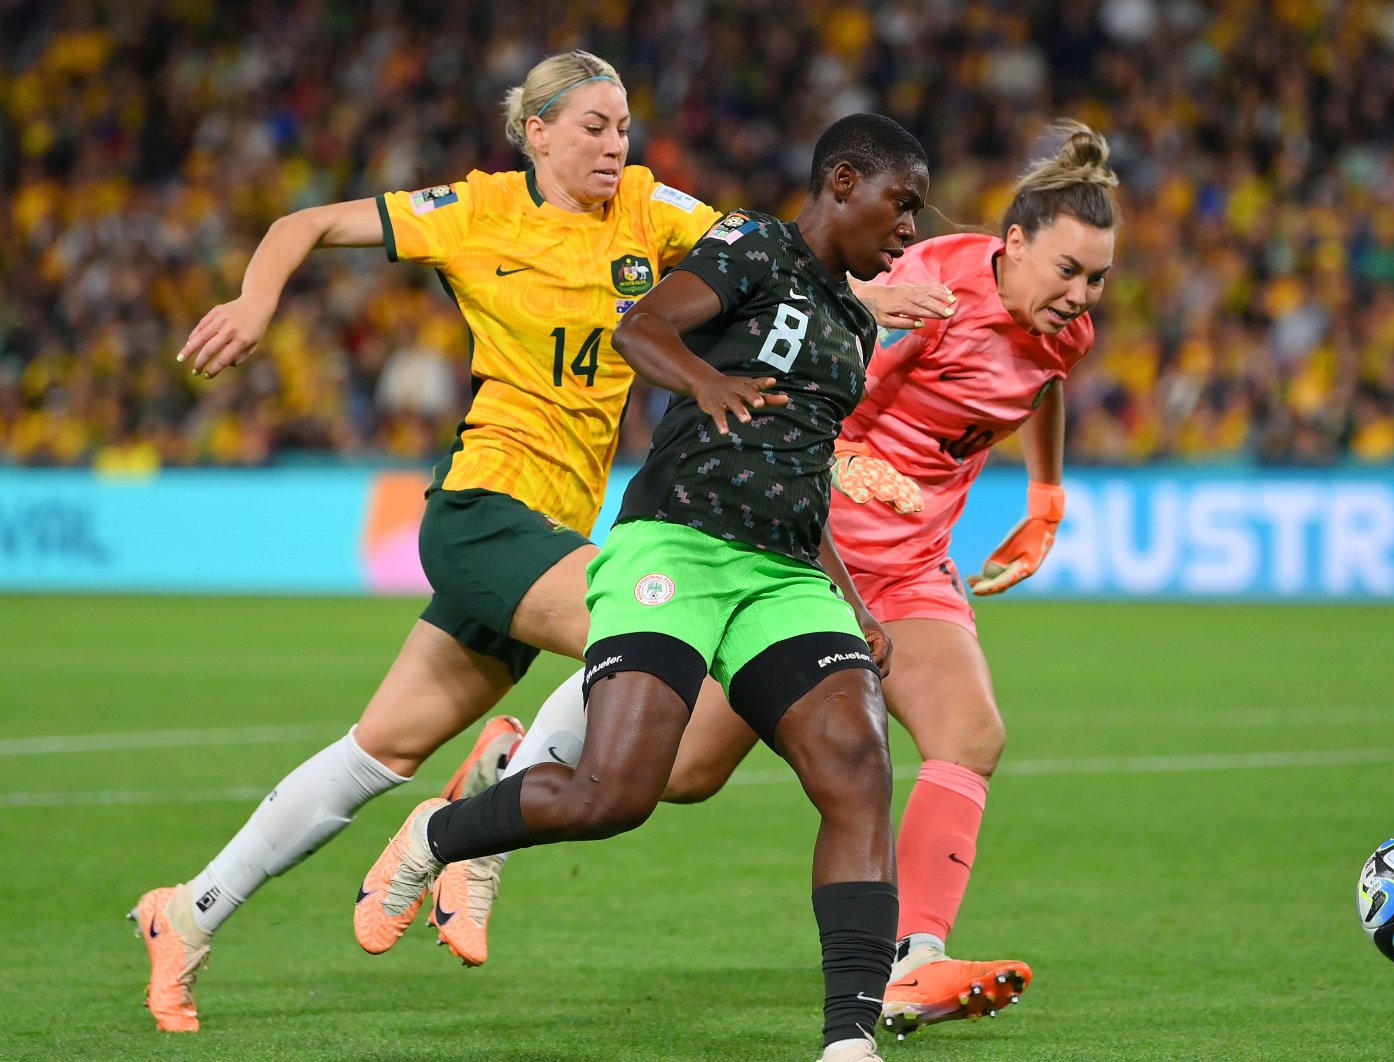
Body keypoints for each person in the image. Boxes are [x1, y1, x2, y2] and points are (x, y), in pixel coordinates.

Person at [129, 52, 950, 1034]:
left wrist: (865, 297)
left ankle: (186, 913)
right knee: (649, 627)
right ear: (537, 133)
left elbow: (777, 251)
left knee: (375, 752)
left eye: (625, 128)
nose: (616, 146)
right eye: (595, 127)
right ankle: (480, 834)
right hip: (486, 508)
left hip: (559, 528)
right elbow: (303, 223)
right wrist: (259, 301)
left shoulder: (654, 211)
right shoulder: (473, 213)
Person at [502, 117, 1119, 1038]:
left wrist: (1047, 493)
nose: (1080, 296)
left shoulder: (1059, 331)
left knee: (970, 734)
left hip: (909, 569)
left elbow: (1043, 383)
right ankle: (525, 755)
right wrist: (848, 465)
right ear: (1012, 244)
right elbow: (806, 393)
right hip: (803, 553)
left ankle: (913, 962)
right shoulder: (926, 293)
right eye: (1067, 272)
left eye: (1099, 278)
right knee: (681, 775)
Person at [356, 112, 931, 1062]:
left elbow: (802, 471)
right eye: (900, 204)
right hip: (677, 546)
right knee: (612, 794)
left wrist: (853, 600)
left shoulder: (851, 321)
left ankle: (849, 1042)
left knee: (858, 772)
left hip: (785, 575)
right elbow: (643, 325)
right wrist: (705, 382)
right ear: (841, 182)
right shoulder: (753, 242)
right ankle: (439, 834)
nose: (909, 230)